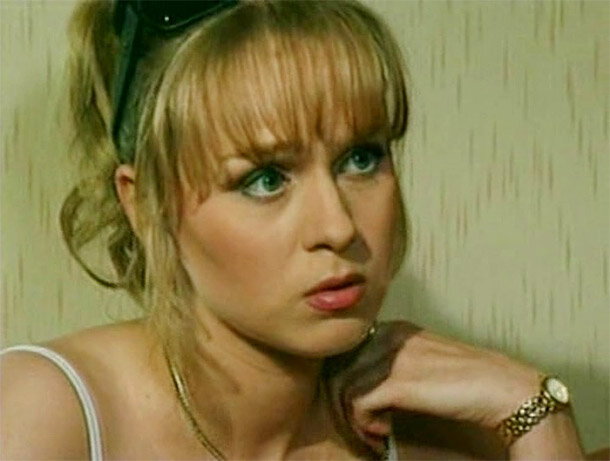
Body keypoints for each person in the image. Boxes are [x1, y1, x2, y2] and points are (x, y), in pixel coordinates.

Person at [0, 1, 586, 459]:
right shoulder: (44, 415)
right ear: (146, 205)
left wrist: (537, 414)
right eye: (264, 179)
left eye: (361, 158)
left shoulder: (440, 434)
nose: (338, 226)